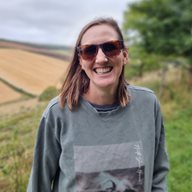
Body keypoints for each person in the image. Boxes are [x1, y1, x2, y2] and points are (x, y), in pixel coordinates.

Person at [27, 17, 169, 192]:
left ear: (125, 55)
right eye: (89, 51)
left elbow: (158, 173)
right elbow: (38, 186)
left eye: (110, 47)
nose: (101, 58)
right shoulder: (58, 113)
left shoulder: (148, 104)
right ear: (80, 60)